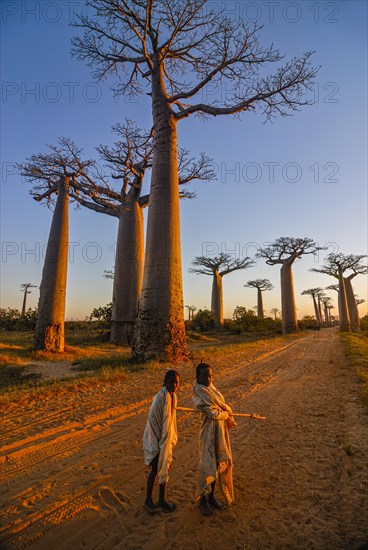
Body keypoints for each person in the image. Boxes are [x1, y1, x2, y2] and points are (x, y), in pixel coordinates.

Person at [193, 361, 236, 517]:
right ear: (197, 377)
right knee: (207, 464)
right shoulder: (199, 391)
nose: (208, 379)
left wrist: (223, 410)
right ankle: (202, 500)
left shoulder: (212, 389)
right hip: (209, 433)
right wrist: (226, 414)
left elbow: (220, 405)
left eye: (210, 376)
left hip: (219, 431)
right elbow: (213, 413)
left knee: (217, 463)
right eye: (204, 376)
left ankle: (211, 497)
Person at [143, 369, 180, 514]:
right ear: (165, 382)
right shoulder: (160, 398)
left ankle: (161, 499)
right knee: (155, 469)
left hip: (164, 438)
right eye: (172, 382)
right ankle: (148, 500)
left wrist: (167, 441)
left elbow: (169, 421)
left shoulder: (172, 396)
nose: (175, 385)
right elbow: (154, 422)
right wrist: (159, 443)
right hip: (155, 438)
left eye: (177, 383)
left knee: (165, 466)